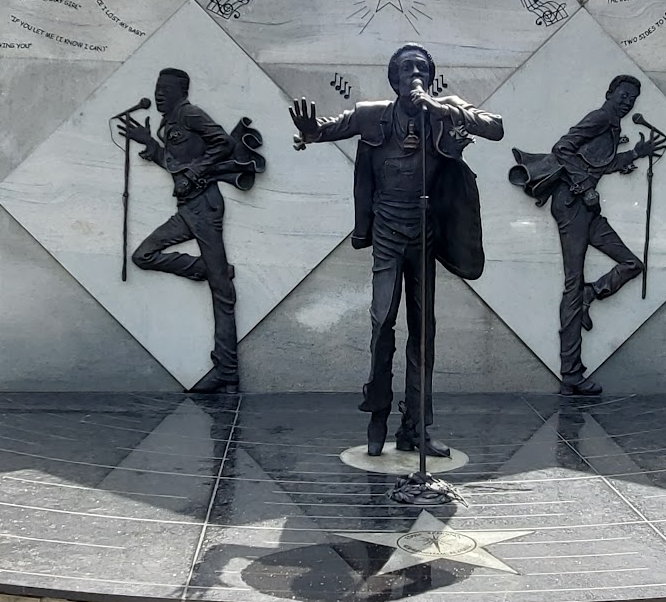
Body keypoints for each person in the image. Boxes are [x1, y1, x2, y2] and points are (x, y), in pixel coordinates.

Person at [289, 43, 503, 456]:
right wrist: (311, 131)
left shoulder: (443, 109)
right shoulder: (373, 114)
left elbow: (494, 127)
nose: (414, 73)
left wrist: (444, 110)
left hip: (425, 233)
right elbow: (328, 128)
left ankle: (415, 427)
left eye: (421, 68)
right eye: (406, 68)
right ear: (394, 78)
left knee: (424, 334)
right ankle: (377, 416)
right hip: (387, 231)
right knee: (382, 322)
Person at [510, 76, 658, 395]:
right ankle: (571, 374)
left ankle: (594, 293)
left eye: (631, 98)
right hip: (571, 203)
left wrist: (636, 153)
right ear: (609, 94)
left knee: (632, 264)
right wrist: (587, 187)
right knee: (572, 284)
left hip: (587, 209)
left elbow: (599, 164)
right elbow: (562, 148)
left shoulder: (613, 125)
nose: (626, 102)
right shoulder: (601, 117)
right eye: (622, 95)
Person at [119, 68, 263, 395]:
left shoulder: (191, 114)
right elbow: (176, 164)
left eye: (164, 89)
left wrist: (196, 172)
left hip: (204, 206)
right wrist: (150, 144)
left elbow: (223, 143)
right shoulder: (169, 123)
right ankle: (211, 270)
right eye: (156, 88)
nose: (158, 94)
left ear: (180, 92)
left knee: (222, 295)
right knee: (143, 255)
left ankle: (227, 371)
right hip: (188, 209)